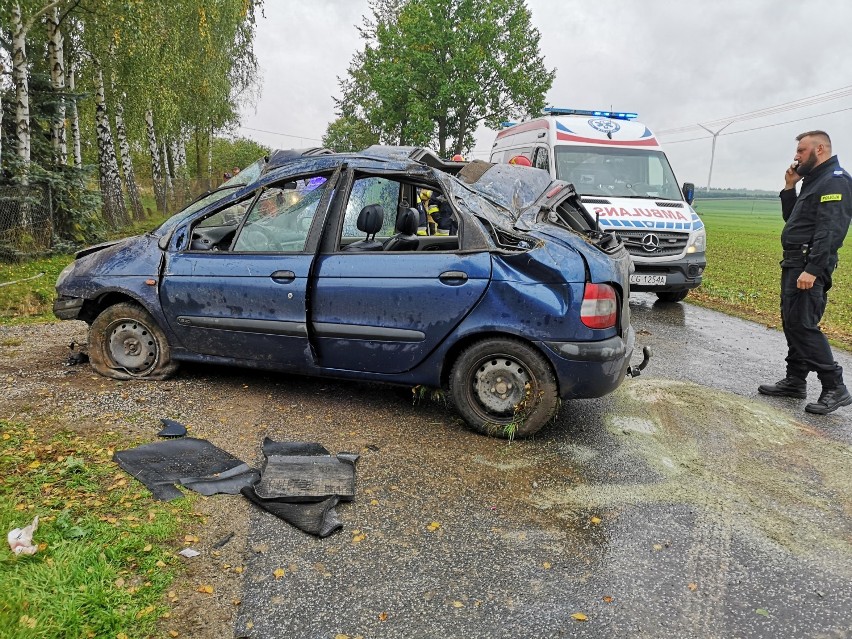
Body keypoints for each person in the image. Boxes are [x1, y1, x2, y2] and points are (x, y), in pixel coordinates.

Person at [758, 130, 852, 414]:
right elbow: (793, 220)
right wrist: (790, 188)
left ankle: (835, 385)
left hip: (809, 263)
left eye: (801, 151)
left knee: (803, 324)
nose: (796, 156)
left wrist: (812, 268)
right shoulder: (813, 180)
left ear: (819, 149)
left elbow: (831, 230)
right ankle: (796, 381)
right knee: (792, 321)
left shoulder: (836, 180)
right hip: (794, 262)